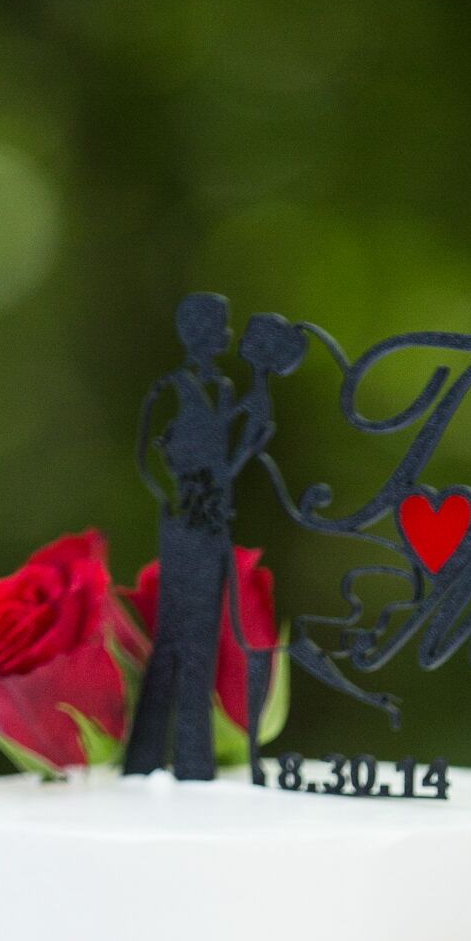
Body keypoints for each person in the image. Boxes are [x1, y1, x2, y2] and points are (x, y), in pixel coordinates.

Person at [124, 297, 303, 780]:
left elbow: (242, 443)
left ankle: (192, 760)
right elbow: (145, 453)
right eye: (219, 328)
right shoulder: (170, 388)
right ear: (196, 332)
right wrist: (172, 501)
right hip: (186, 522)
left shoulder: (223, 388)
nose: (226, 337)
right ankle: (147, 756)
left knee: (200, 641)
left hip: (214, 523)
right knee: (171, 642)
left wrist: (261, 383)